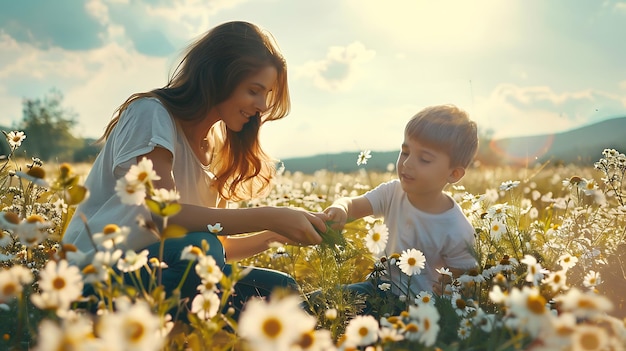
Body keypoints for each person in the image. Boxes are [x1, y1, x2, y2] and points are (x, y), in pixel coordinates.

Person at [62, 21, 325, 320]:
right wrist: (270, 214)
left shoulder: (215, 149)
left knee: (281, 290)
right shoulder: (151, 113)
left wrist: (280, 232)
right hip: (94, 278)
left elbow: (221, 247)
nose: (262, 106)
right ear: (218, 77)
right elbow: (163, 215)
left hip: (161, 270)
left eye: (267, 95)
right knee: (201, 250)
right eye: (254, 91)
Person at [322, 104, 478, 314]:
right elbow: (354, 205)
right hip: (378, 289)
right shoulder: (392, 193)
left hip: (420, 309)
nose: (407, 164)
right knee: (325, 301)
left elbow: (466, 278)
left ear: (454, 174)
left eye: (424, 159)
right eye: (405, 152)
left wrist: (449, 289)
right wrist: (340, 208)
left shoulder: (458, 229)